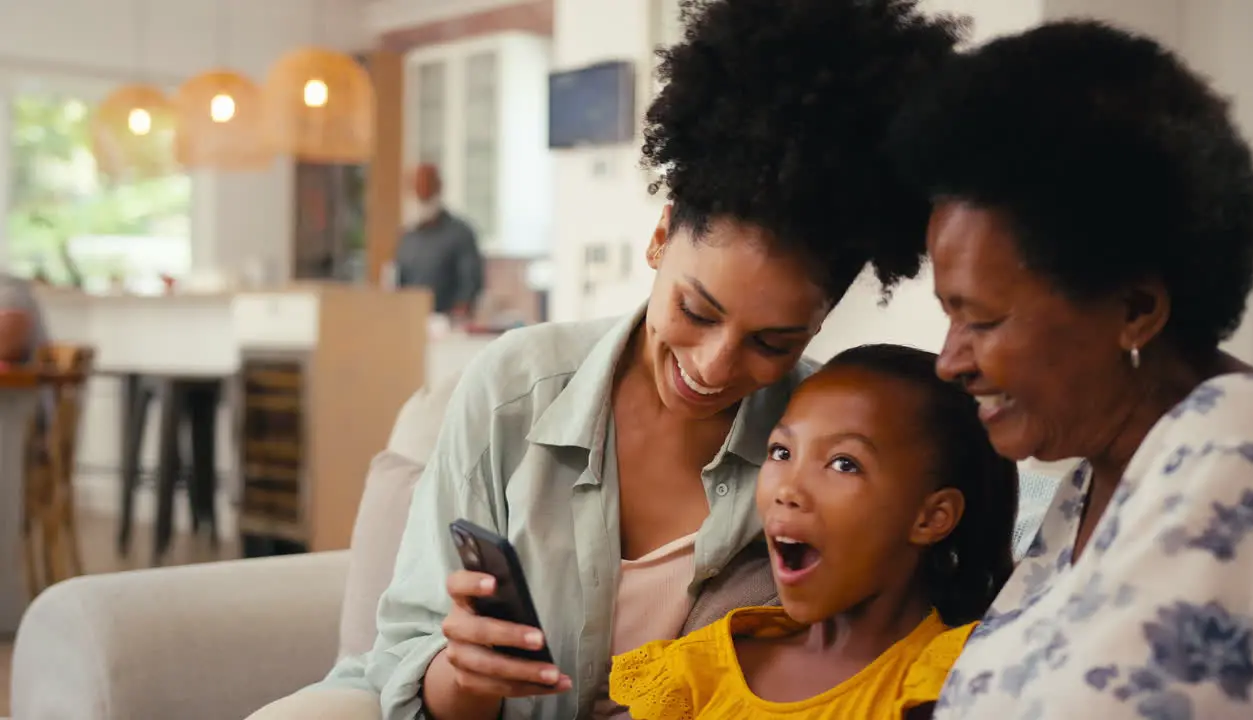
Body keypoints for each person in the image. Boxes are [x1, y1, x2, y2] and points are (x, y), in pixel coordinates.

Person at [245, 1, 966, 718]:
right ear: (658, 239)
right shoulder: (513, 390)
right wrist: (467, 673)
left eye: (772, 342)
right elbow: (395, 671)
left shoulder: (818, 444)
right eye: (697, 311)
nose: (715, 367)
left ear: (822, 322)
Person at [888, 19, 1253, 717]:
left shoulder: (1247, 454)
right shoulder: (1087, 481)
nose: (950, 362)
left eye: (980, 319)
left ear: (1135, 309)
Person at [609, 344, 1018, 719]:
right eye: (781, 452)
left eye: (844, 464)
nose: (787, 489)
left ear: (931, 517)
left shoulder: (956, 678)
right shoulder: (693, 675)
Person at [395, 163, 485, 320]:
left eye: (427, 190)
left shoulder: (460, 234)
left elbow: (470, 283)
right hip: (411, 322)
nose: (422, 197)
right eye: (418, 190)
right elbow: (399, 283)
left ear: (438, 189)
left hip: (448, 325)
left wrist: (457, 315)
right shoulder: (408, 237)